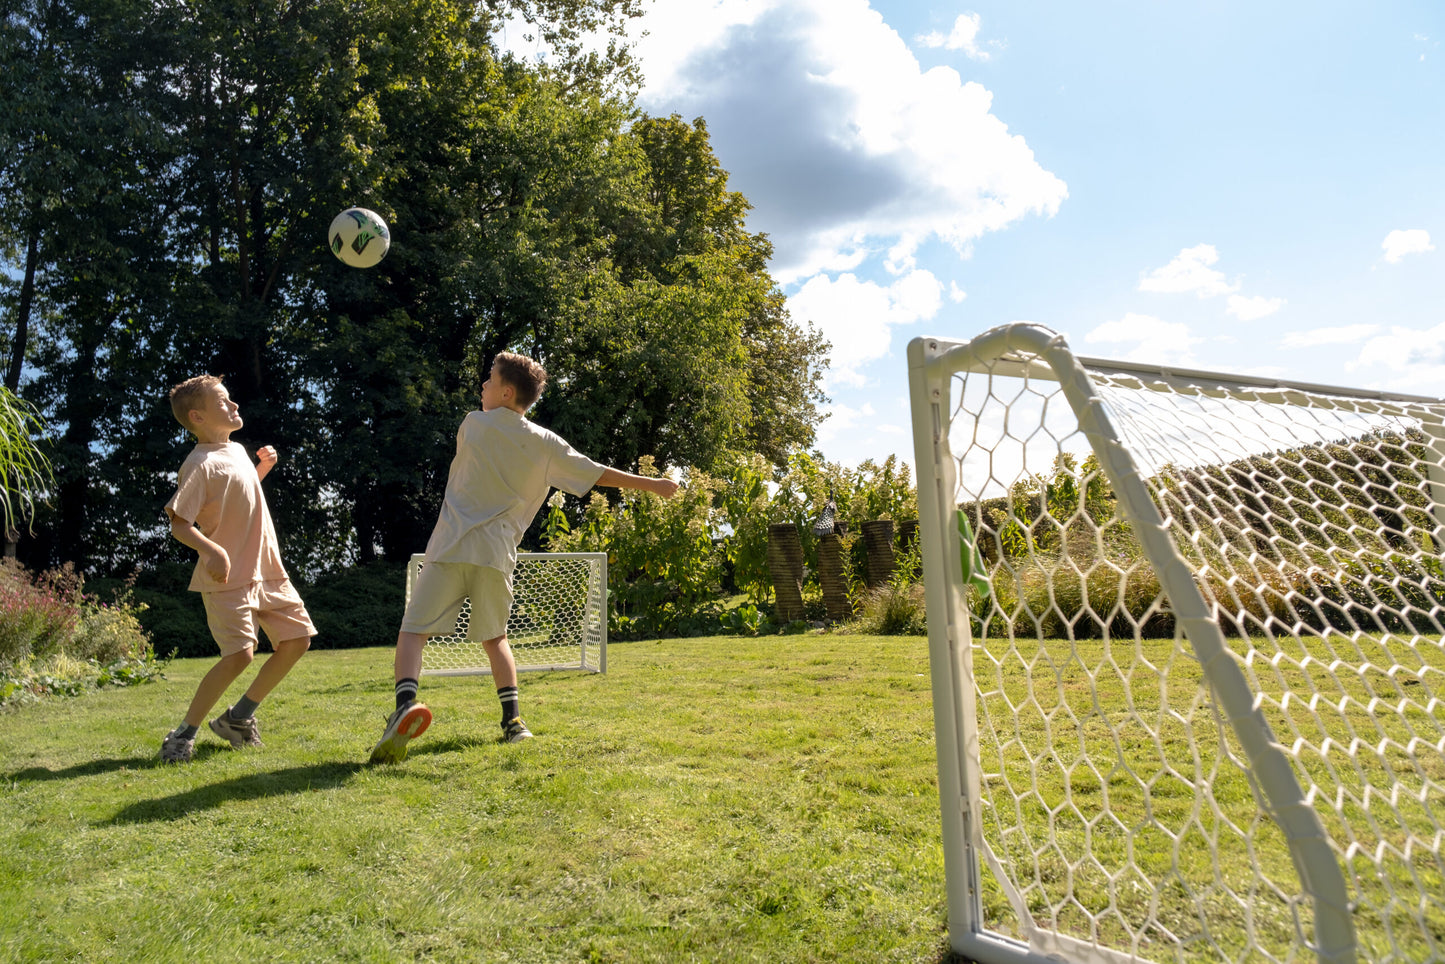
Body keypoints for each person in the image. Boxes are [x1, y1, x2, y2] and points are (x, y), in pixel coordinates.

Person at [369, 351, 678, 763]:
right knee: (496, 639)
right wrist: (653, 484)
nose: (482, 386)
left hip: (449, 548)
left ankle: (405, 707)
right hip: (496, 557)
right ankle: (514, 724)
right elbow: (595, 471)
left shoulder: (472, 425)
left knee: (412, 633)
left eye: (489, 381)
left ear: (507, 391)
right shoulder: (546, 444)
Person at [159, 376, 316, 763]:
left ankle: (239, 717)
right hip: (227, 578)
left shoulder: (238, 452)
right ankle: (182, 735)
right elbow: (180, 524)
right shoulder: (199, 464)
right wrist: (211, 551)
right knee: (240, 655)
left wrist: (261, 469)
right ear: (197, 416)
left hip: (267, 570)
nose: (234, 406)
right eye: (224, 402)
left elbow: (240, 496)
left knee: (297, 640)